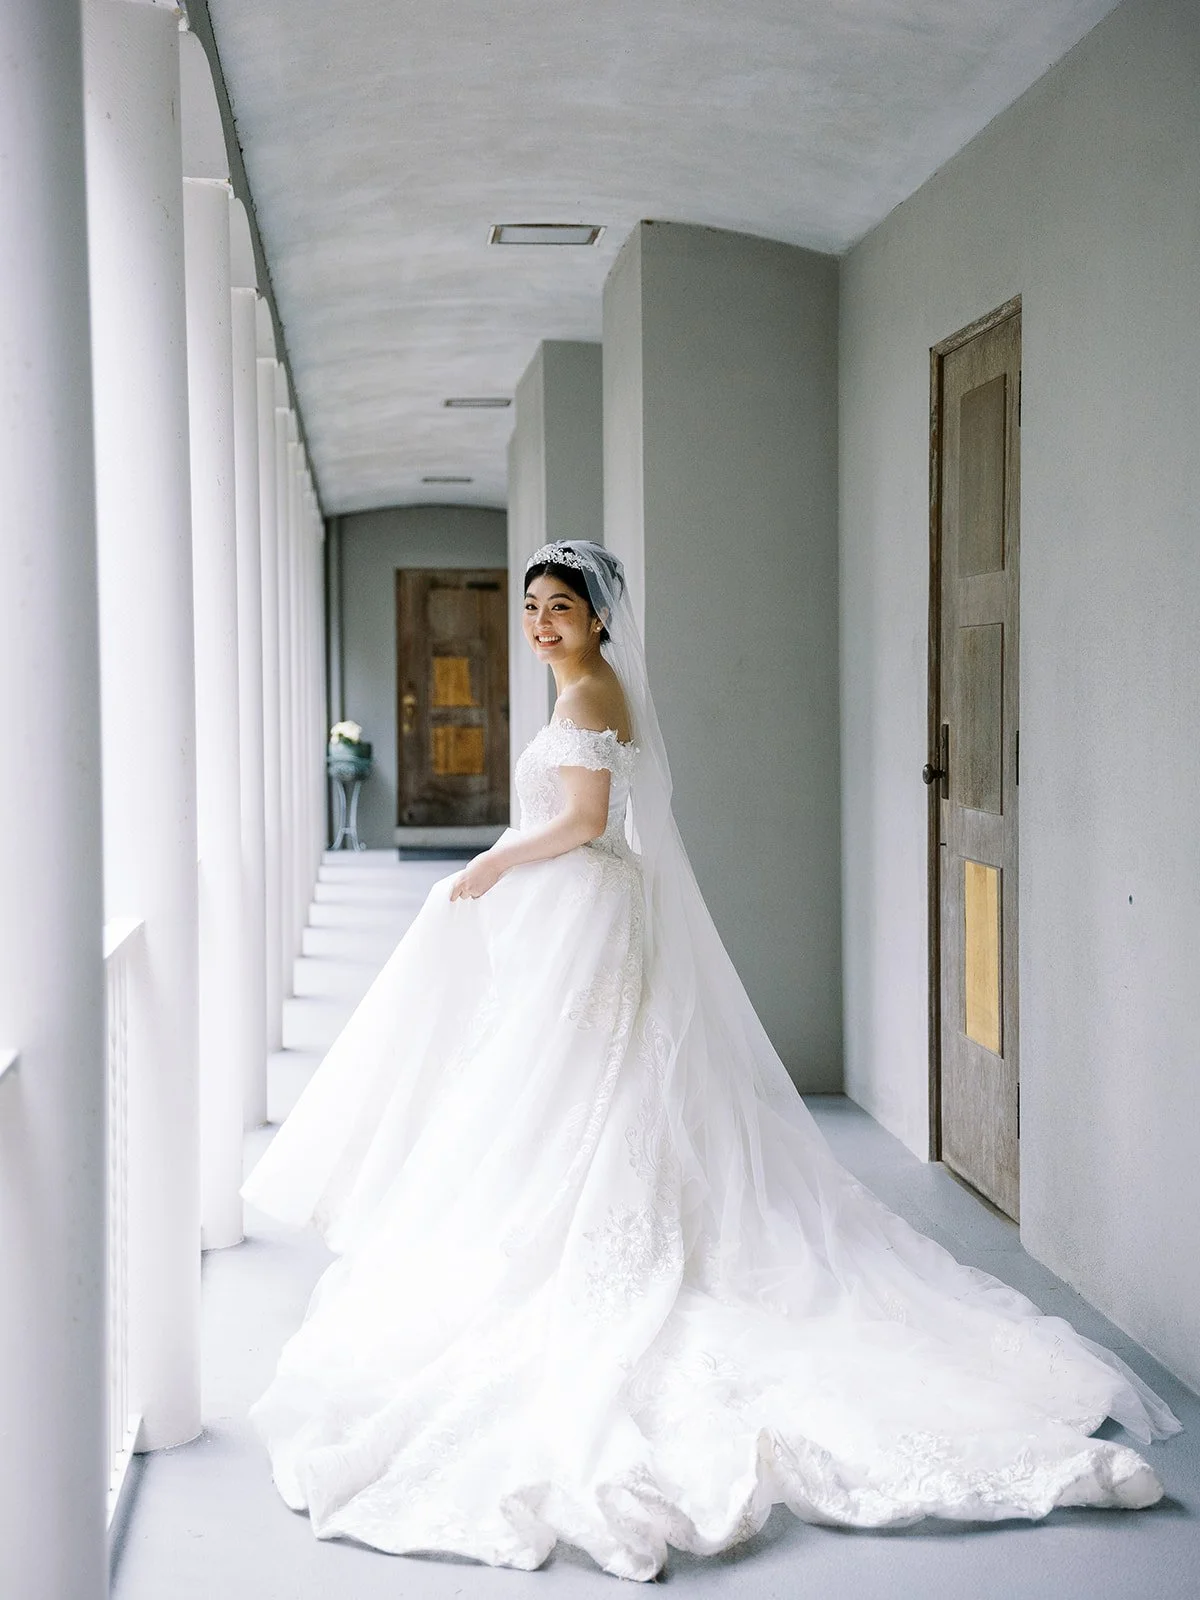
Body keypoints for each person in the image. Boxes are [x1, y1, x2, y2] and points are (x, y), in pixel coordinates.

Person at [240, 538, 1179, 1582]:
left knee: (584, 1085)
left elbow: (589, 821)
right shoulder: (583, 690)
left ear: (599, 618)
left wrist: (501, 856)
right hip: (584, 913)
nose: (542, 622)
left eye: (560, 607)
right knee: (572, 1089)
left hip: (587, 906)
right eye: (532, 607)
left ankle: (597, 1237)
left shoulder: (590, 696)